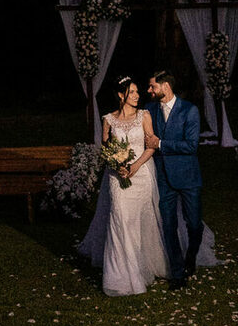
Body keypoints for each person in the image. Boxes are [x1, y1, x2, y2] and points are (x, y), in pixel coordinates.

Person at [77, 75, 170, 295]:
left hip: (141, 175)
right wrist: (115, 163)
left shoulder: (144, 115)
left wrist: (135, 166)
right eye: (133, 92)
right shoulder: (108, 119)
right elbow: (105, 148)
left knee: (139, 224)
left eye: (138, 92)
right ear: (121, 95)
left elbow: (151, 145)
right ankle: (120, 276)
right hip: (117, 179)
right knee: (119, 222)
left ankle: (141, 266)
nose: (137, 96)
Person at [144, 69, 204, 288]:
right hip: (163, 178)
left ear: (166, 87)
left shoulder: (190, 111)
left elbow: (191, 146)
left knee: (195, 224)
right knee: (169, 226)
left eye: (153, 86)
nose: (149, 90)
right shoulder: (149, 109)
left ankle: (191, 257)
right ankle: (177, 274)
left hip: (188, 177)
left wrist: (160, 144)